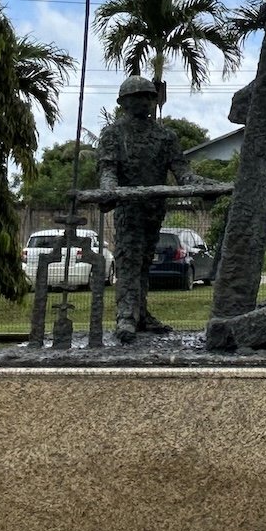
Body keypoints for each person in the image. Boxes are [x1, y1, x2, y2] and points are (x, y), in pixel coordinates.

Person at [96, 75, 207, 343]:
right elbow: (108, 167)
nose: (144, 102)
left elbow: (182, 170)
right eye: (137, 98)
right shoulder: (114, 134)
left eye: (148, 97)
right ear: (124, 102)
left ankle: (141, 314)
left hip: (154, 207)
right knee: (128, 259)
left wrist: (199, 184)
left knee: (145, 261)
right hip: (128, 208)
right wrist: (109, 188)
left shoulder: (165, 135)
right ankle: (125, 316)